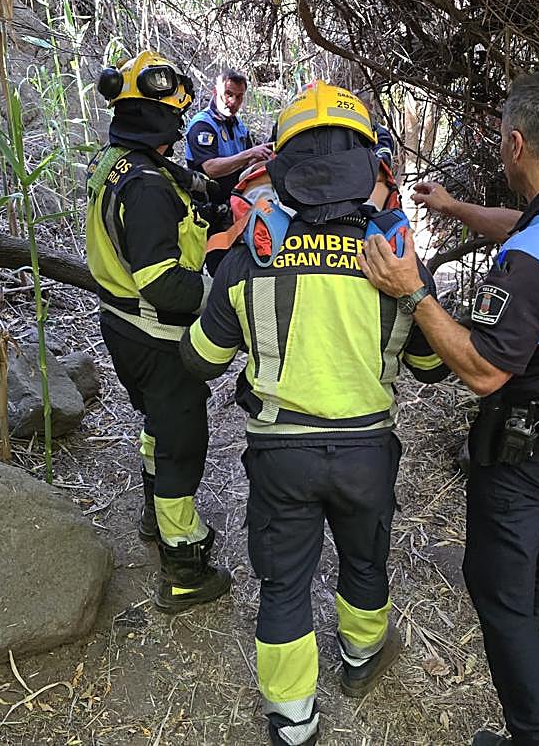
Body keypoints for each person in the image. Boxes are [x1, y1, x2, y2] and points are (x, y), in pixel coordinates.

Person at [359, 70, 539, 746]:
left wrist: (412, 291)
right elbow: (526, 229)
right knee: (538, 557)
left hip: (525, 450)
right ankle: (532, 617)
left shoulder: (533, 264)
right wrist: (456, 211)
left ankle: (532, 737)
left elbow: (482, 371)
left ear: (515, 144)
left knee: (498, 598)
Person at [179, 81, 449, 746]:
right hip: (366, 451)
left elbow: (201, 361)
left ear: (284, 168)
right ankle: (359, 659)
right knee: (364, 563)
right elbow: (432, 367)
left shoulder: (250, 254)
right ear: (367, 165)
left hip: (281, 456)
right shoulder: (396, 260)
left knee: (283, 585)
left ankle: (294, 722)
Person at [86, 49, 231, 614]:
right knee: (181, 443)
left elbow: (178, 186)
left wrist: (212, 210)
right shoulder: (144, 184)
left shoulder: (119, 160)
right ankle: (184, 564)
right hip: (158, 336)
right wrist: (225, 298)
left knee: (155, 424)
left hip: (122, 327)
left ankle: (152, 511)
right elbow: (166, 286)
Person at [184, 68, 273, 204]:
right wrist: (250, 154)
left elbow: (244, 165)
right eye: (228, 94)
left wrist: (264, 156)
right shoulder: (202, 125)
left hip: (236, 200)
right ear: (215, 92)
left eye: (239, 96)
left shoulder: (239, 127)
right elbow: (211, 169)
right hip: (206, 206)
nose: (233, 102)